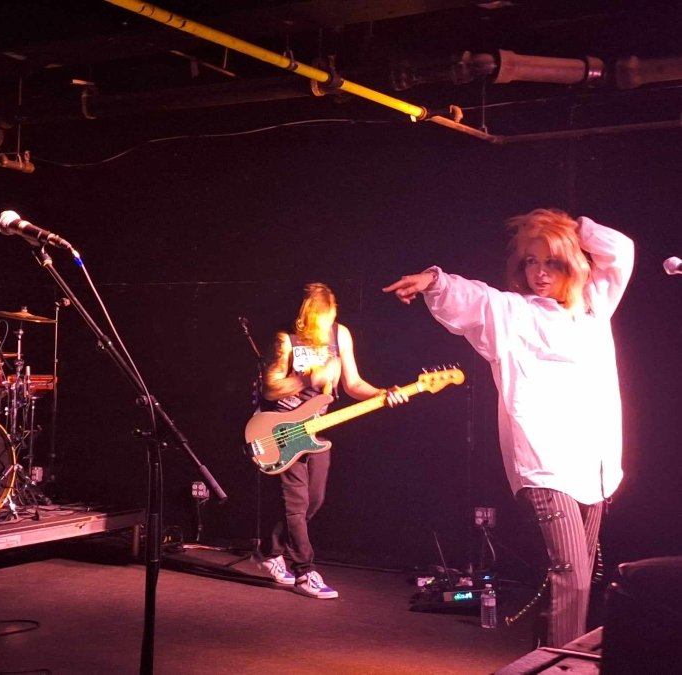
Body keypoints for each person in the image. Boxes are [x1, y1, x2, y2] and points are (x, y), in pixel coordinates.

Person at [383, 209, 634, 647]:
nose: (539, 273)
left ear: (572, 263)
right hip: (545, 464)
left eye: (551, 262)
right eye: (531, 262)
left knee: (576, 579)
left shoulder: (594, 306)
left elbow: (621, 251)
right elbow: (476, 298)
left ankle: (545, 657)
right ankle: (558, 667)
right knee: (571, 574)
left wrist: (573, 228)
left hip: (593, 466)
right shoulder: (515, 313)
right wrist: (434, 281)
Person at [255, 282, 407, 599]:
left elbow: (353, 384)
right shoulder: (286, 339)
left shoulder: (341, 335)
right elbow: (270, 388)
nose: (325, 327)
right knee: (295, 504)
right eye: (319, 321)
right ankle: (305, 571)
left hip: (317, 427)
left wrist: (383, 393)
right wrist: (309, 379)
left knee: (313, 500)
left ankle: (269, 551)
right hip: (282, 429)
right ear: (305, 317)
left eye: (329, 318)